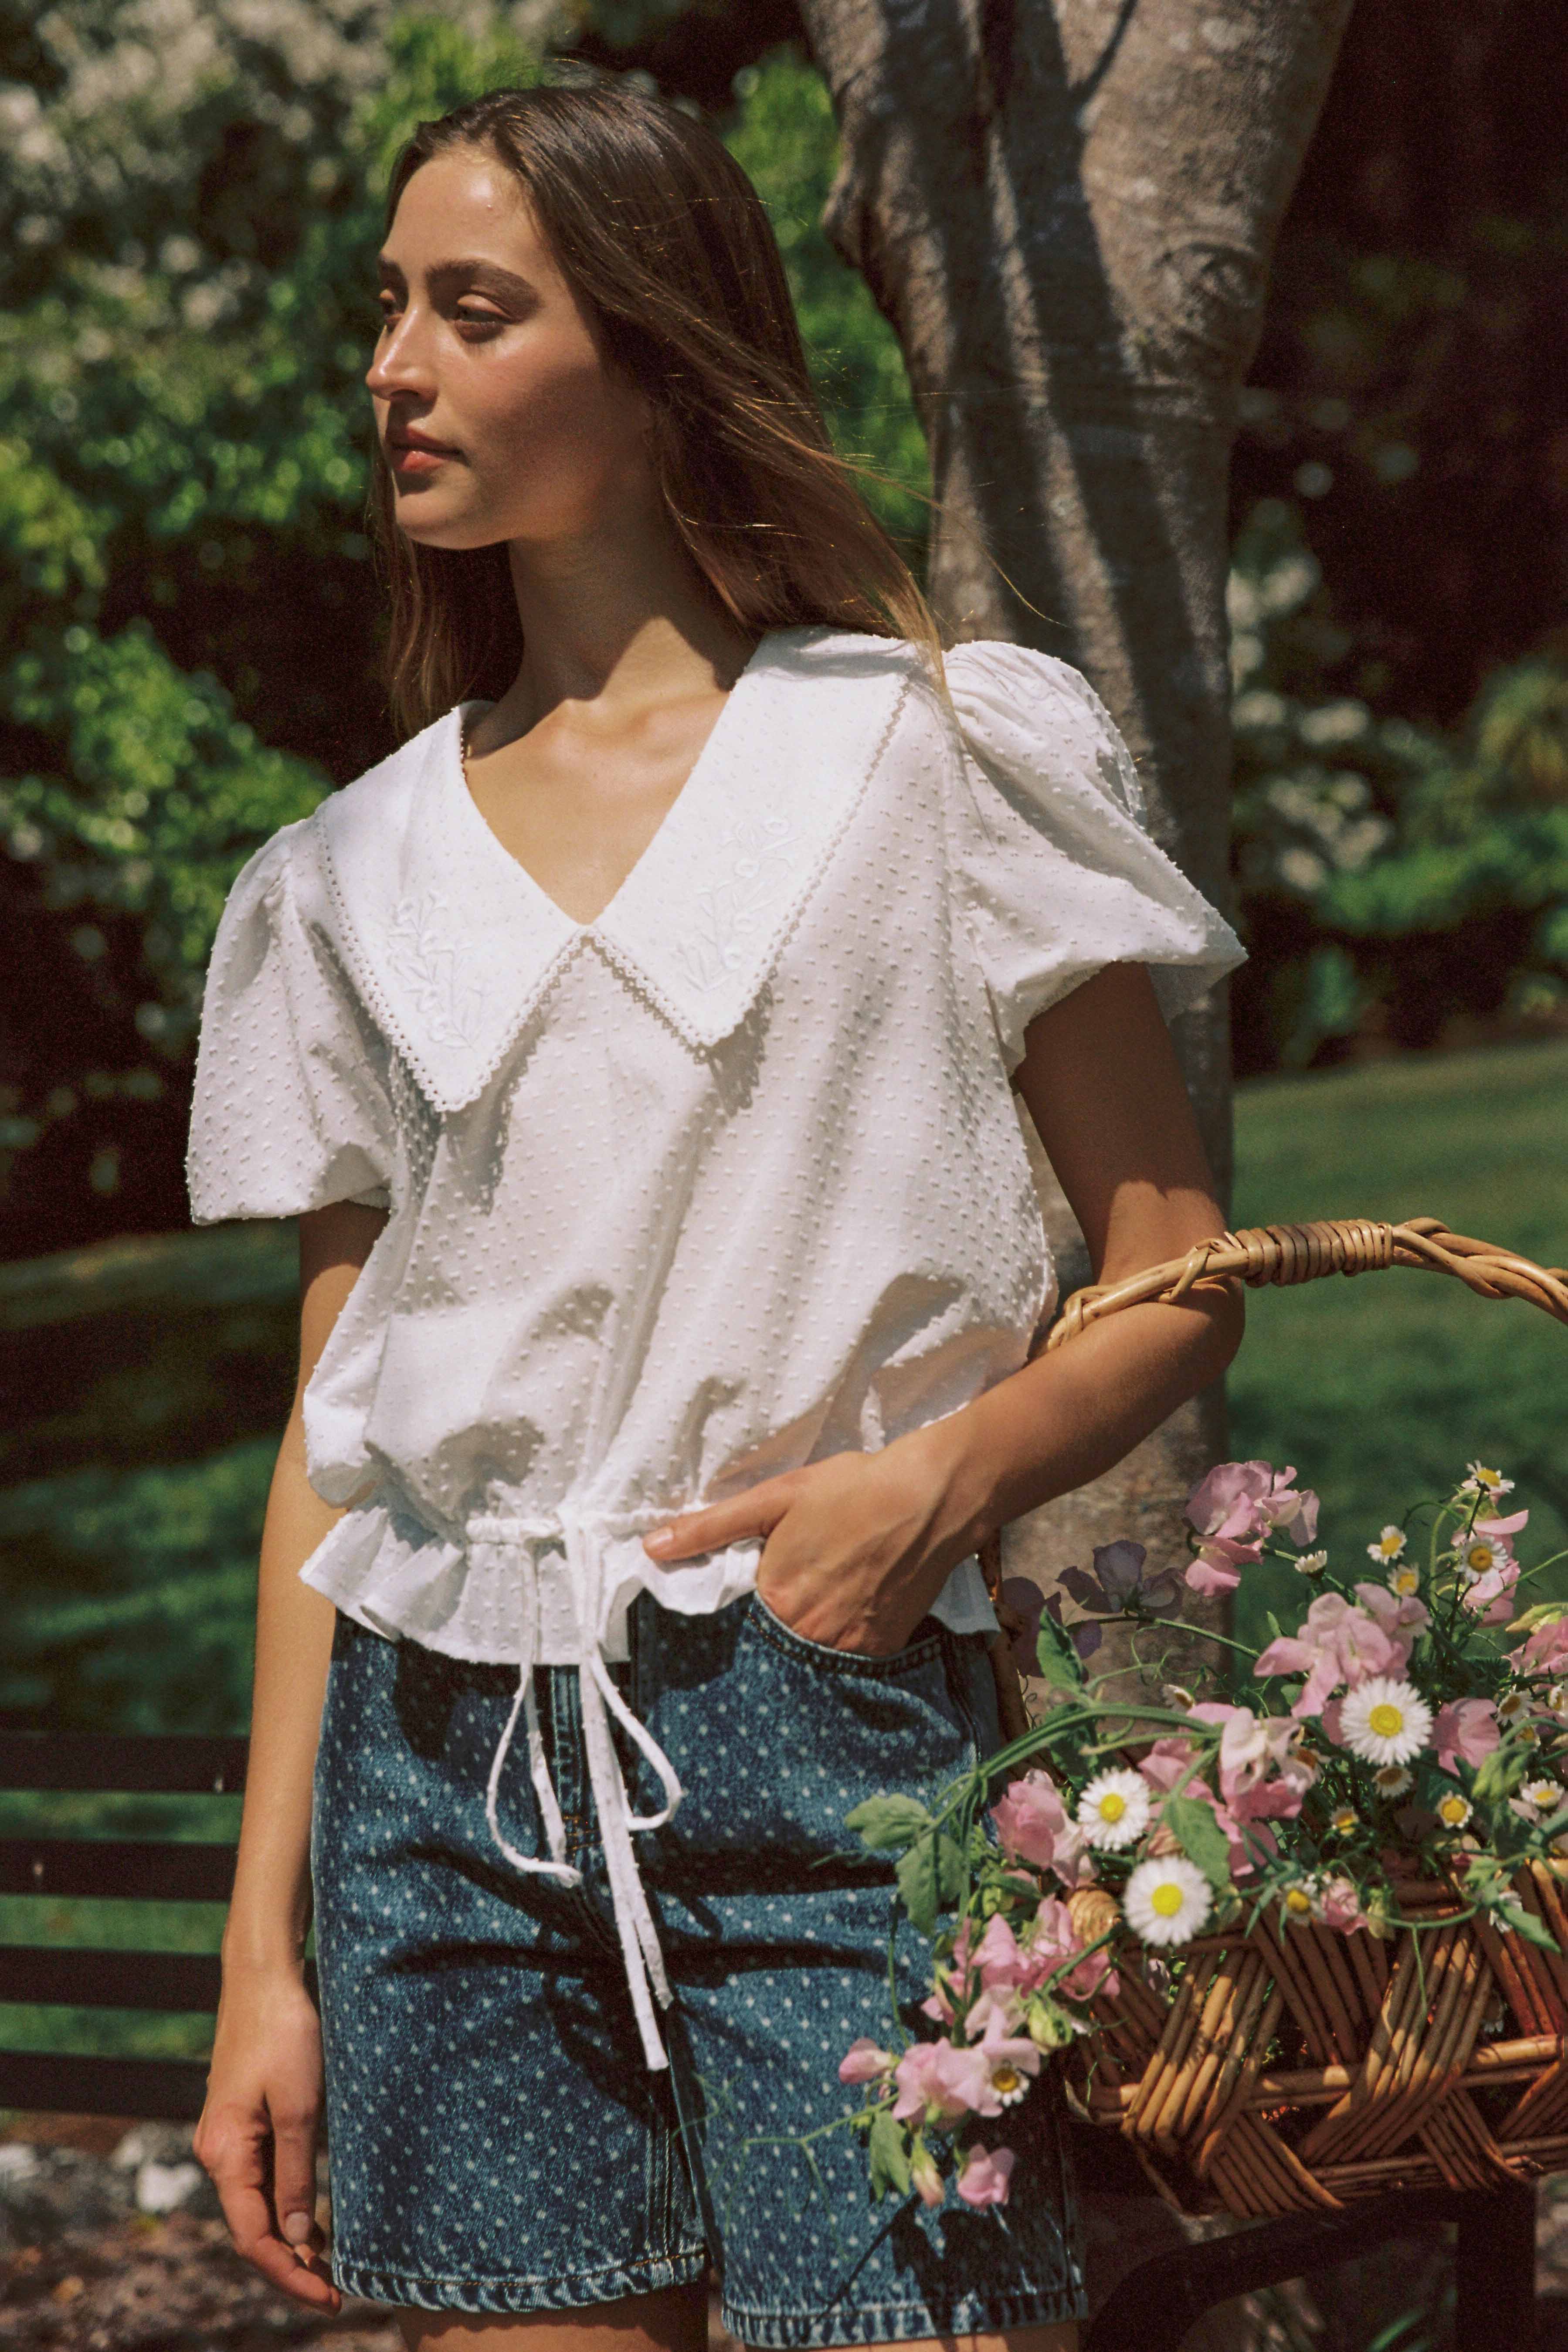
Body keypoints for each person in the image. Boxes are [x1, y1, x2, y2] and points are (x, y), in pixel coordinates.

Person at [186, 76, 1247, 2352]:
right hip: (438, 1778)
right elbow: (330, 1439)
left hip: (829, 1710)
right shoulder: (335, 880)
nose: (396, 367)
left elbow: (1176, 1262)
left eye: (474, 311)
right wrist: (260, 1950)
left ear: (657, 356)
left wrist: (931, 1485)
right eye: (392, 311)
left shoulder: (943, 754)